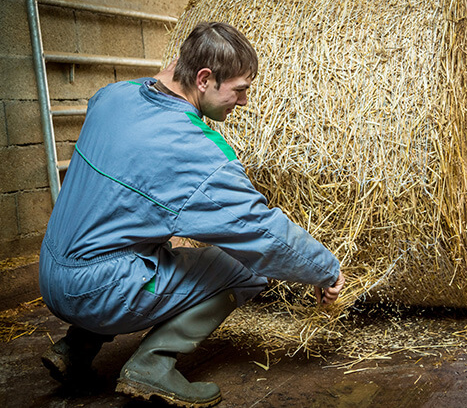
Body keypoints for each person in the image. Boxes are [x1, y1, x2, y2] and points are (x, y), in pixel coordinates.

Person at [39, 21, 345, 407]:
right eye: (240, 90)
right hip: (97, 293)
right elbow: (262, 233)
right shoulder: (195, 152)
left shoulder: (113, 95)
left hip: (51, 272)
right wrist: (324, 269)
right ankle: (152, 366)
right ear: (204, 79)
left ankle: (74, 350)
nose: (245, 101)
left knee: (127, 235)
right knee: (247, 266)